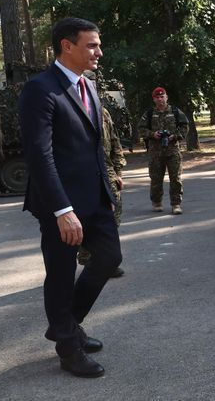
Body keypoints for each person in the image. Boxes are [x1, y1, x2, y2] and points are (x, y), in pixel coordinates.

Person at [18, 17, 122, 378]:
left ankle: (65, 325)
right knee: (61, 274)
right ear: (67, 45)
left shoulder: (87, 85)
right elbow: (40, 155)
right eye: (91, 45)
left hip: (95, 199)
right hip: (59, 204)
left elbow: (95, 147)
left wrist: (106, 191)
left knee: (109, 258)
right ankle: (68, 347)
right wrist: (63, 209)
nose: (99, 51)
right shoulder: (40, 90)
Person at [77, 72, 126, 278]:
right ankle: (89, 260)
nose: (91, 85)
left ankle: (107, 260)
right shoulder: (72, 111)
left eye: (94, 82)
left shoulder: (102, 112)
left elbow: (114, 142)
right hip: (82, 174)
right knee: (86, 218)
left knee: (112, 216)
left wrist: (118, 171)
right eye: (87, 81)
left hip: (107, 174)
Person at [138, 87, 189, 214]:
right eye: (157, 97)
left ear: (166, 97)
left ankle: (176, 204)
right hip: (155, 152)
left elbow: (185, 126)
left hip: (172, 151)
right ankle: (157, 202)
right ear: (154, 99)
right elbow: (141, 128)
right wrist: (152, 134)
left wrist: (175, 136)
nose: (160, 99)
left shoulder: (175, 111)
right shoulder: (149, 113)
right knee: (155, 179)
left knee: (176, 179)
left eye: (162, 96)